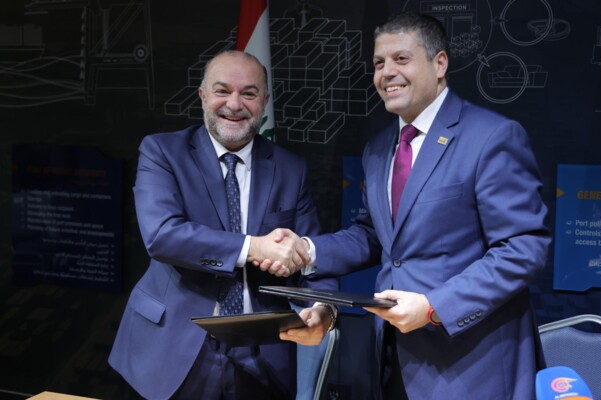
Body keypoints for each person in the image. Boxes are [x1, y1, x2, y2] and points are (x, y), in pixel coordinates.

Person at [269, 12, 552, 399]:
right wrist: (307, 250)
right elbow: (376, 235)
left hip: (473, 367)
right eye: (378, 63)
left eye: (401, 59)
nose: (387, 72)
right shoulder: (377, 150)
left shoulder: (492, 137)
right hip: (393, 362)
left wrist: (435, 306)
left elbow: (523, 248)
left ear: (440, 63)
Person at [108, 50, 336, 400]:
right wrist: (254, 246)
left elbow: (313, 255)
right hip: (172, 349)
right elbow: (163, 236)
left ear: (265, 101)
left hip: (263, 354)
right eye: (222, 91)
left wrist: (324, 309)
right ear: (202, 95)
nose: (234, 104)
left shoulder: (291, 169)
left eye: (249, 93)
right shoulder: (162, 152)